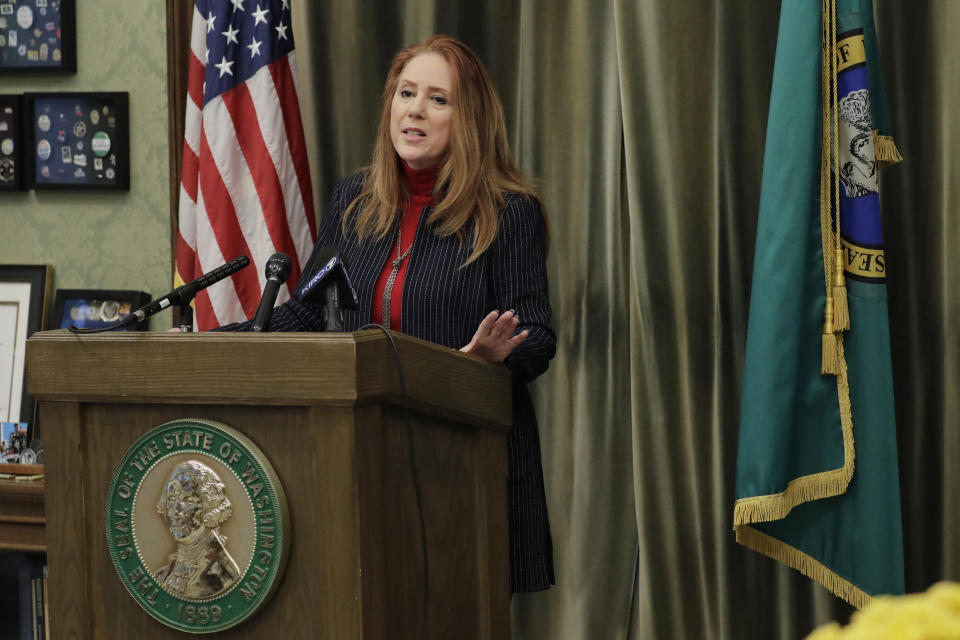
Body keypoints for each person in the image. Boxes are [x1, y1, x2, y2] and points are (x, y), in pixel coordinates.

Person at [220, 35, 556, 593]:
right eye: (406, 93)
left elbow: (538, 334)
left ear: (468, 118)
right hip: (363, 460)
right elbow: (310, 314)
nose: (415, 110)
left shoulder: (507, 212)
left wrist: (489, 359)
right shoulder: (354, 200)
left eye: (437, 99)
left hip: (461, 463)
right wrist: (219, 339)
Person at [153, 460, 242, 598]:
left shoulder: (223, 577)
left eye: (187, 501)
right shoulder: (160, 577)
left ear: (209, 507)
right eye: (171, 499)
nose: (176, 511)